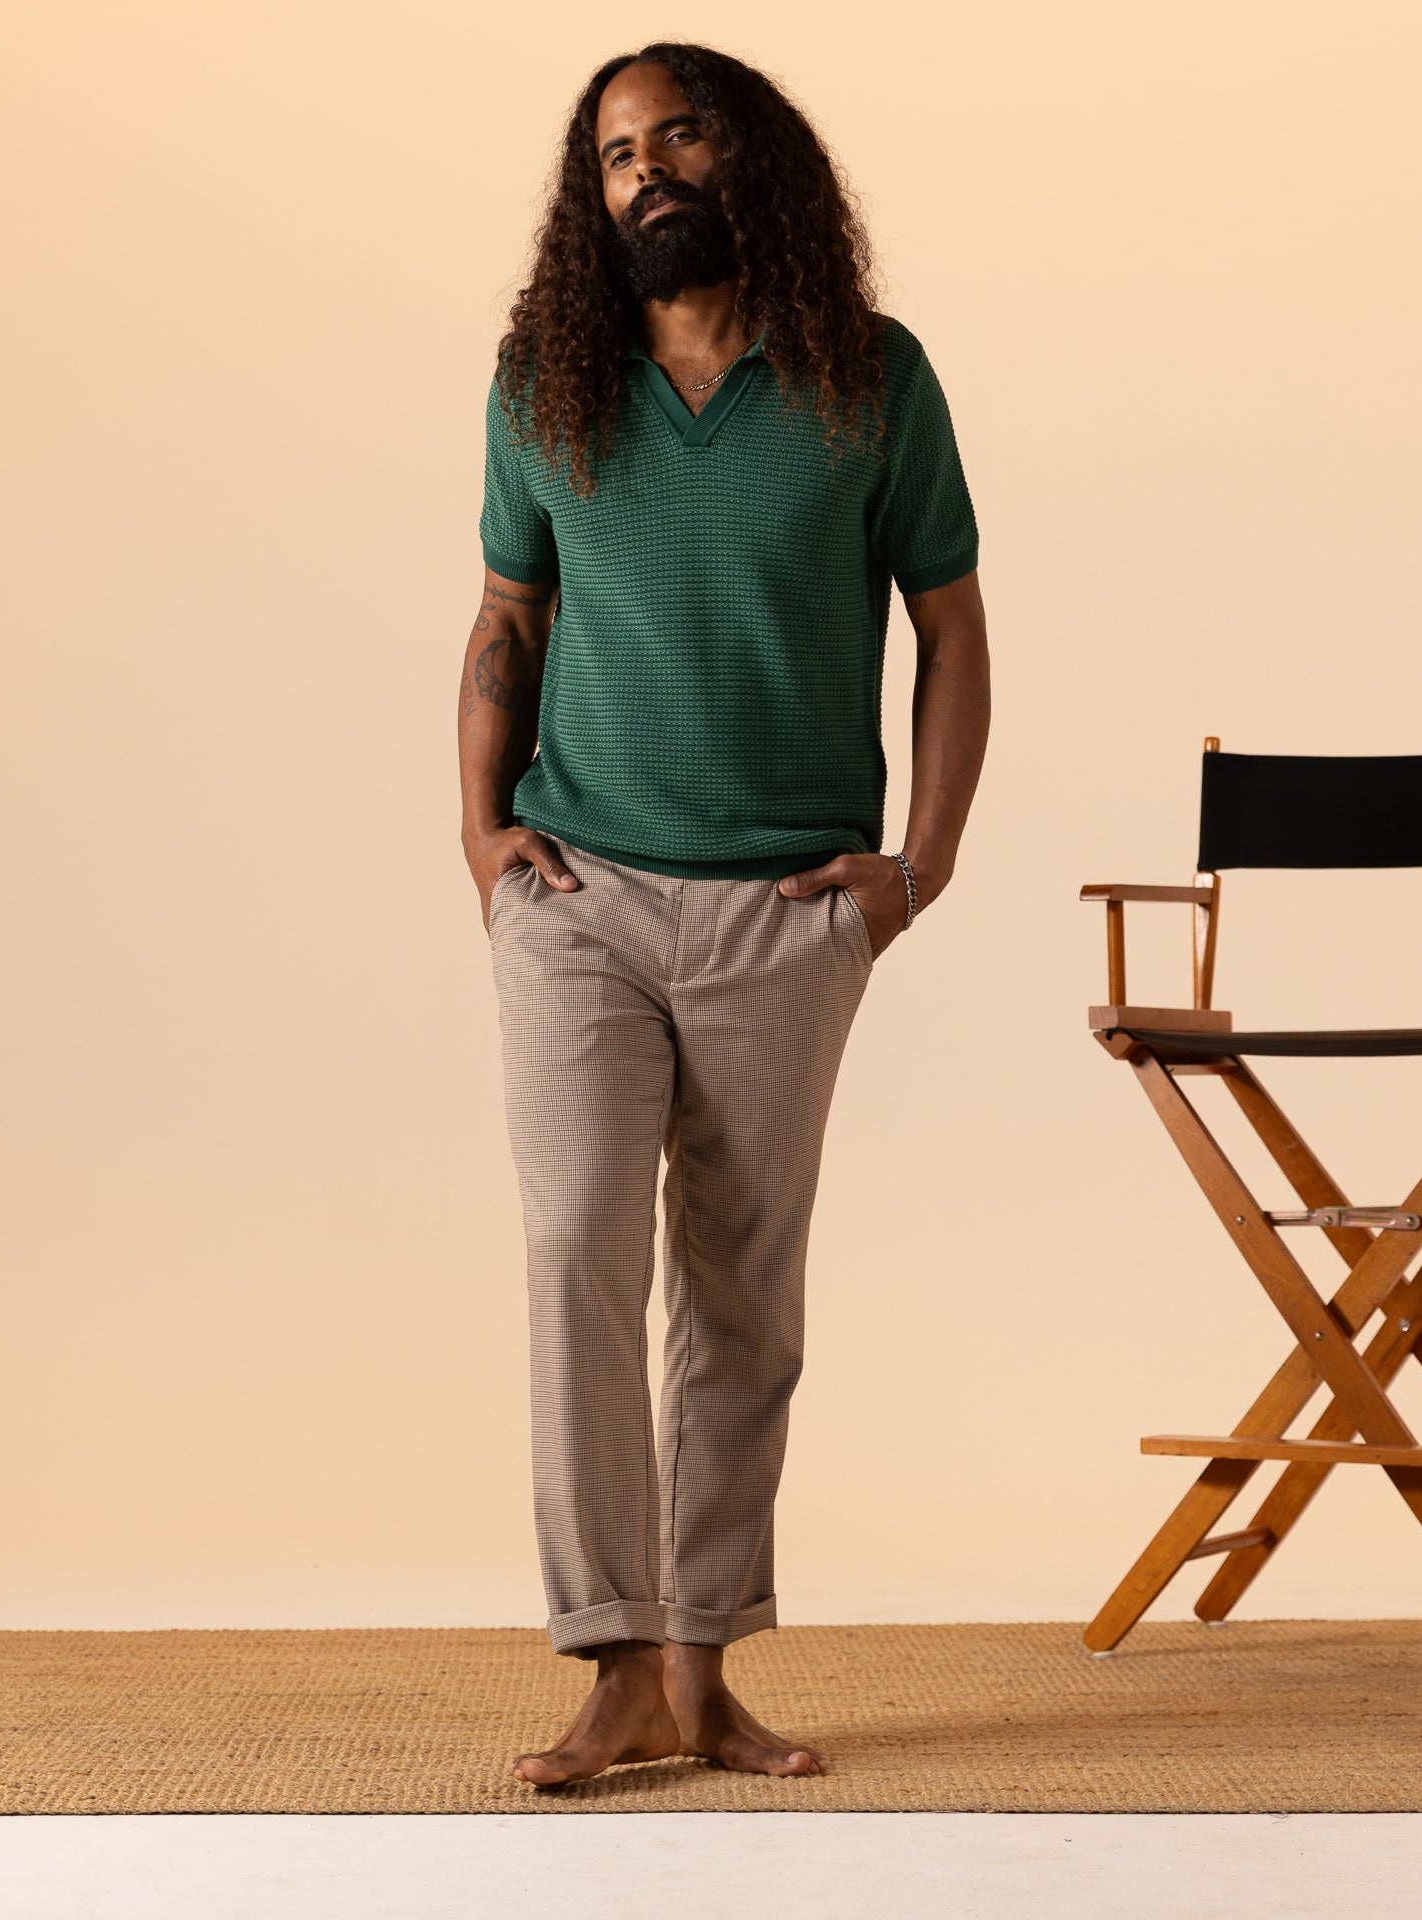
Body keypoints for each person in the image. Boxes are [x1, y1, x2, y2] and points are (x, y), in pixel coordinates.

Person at [459, 40, 990, 1787]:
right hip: (583, 892)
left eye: (678, 134)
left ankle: (699, 1672)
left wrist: (917, 866)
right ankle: (606, 1664)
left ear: (746, 155)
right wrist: (481, 836)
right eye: (615, 154)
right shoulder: (547, 381)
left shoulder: (872, 379)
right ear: (589, 195)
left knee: (743, 1298)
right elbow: (505, 623)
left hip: (789, 903)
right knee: (574, 1257)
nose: (647, 172)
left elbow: (955, 631)